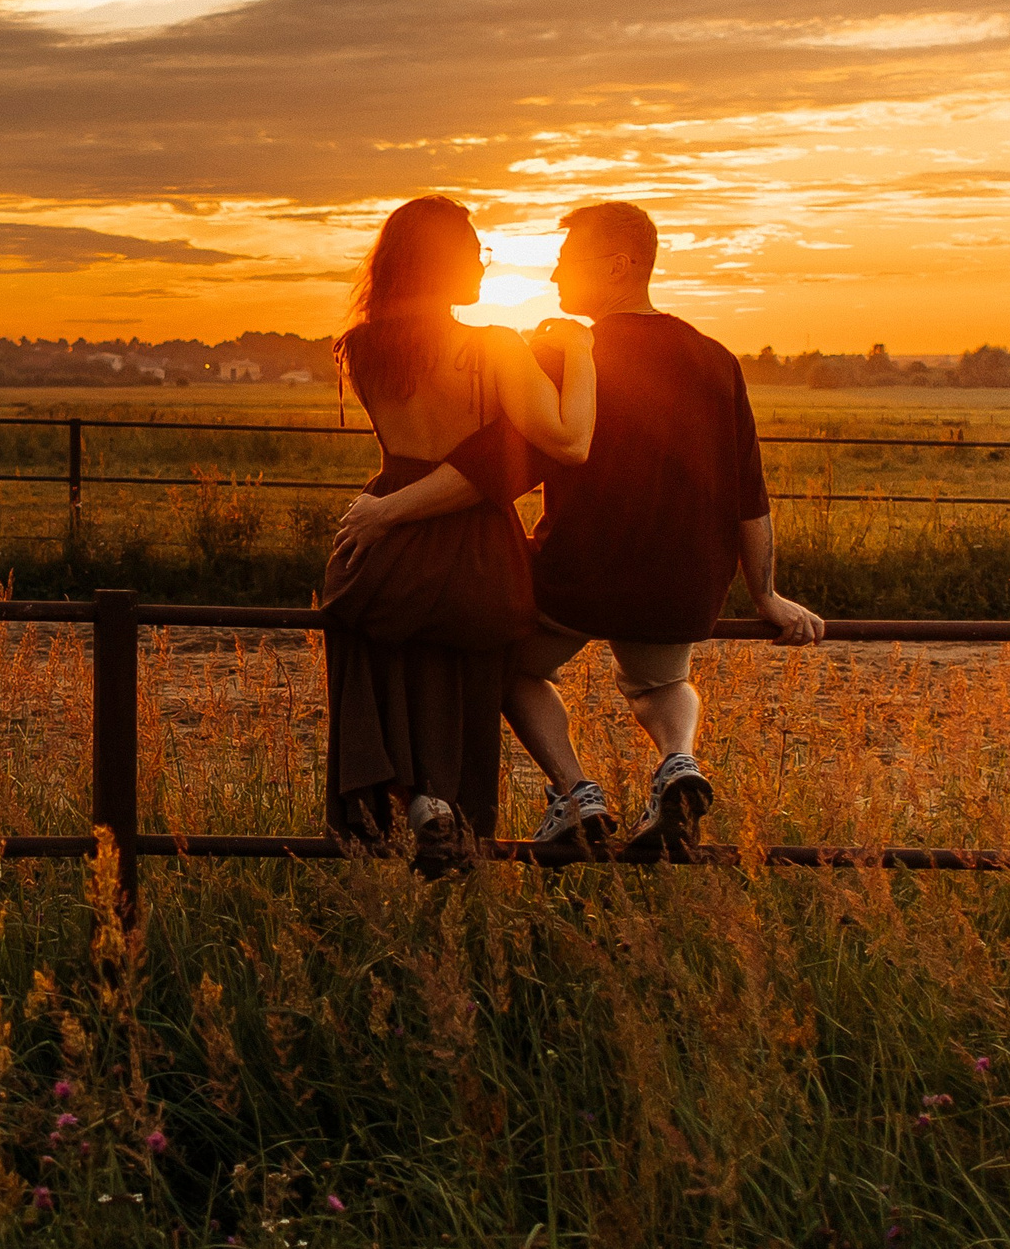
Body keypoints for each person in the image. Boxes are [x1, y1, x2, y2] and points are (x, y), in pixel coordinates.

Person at [339, 201, 823, 853]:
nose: (553, 275)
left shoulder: (560, 352)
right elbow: (749, 493)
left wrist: (390, 508)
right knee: (662, 683)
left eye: (567, 260)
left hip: (578, 573)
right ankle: (678, 763)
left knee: (505, 667)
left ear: (618, 266)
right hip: (682, 582)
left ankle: (574, 793)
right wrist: (765, 593)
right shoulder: (716, 360)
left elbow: (493, 465)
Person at [321, 196, 596, 869]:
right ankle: (448, 803)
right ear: (442, 263)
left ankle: (418, 797)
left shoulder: (361, 348)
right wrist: (582, 352)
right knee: (470, 672)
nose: (484, 263)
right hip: (473, 542)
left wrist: (392, 511)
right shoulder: (493, 347)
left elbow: (416, 448)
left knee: (396, 658)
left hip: (382, 541)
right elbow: (568, 440)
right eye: (475, 252)